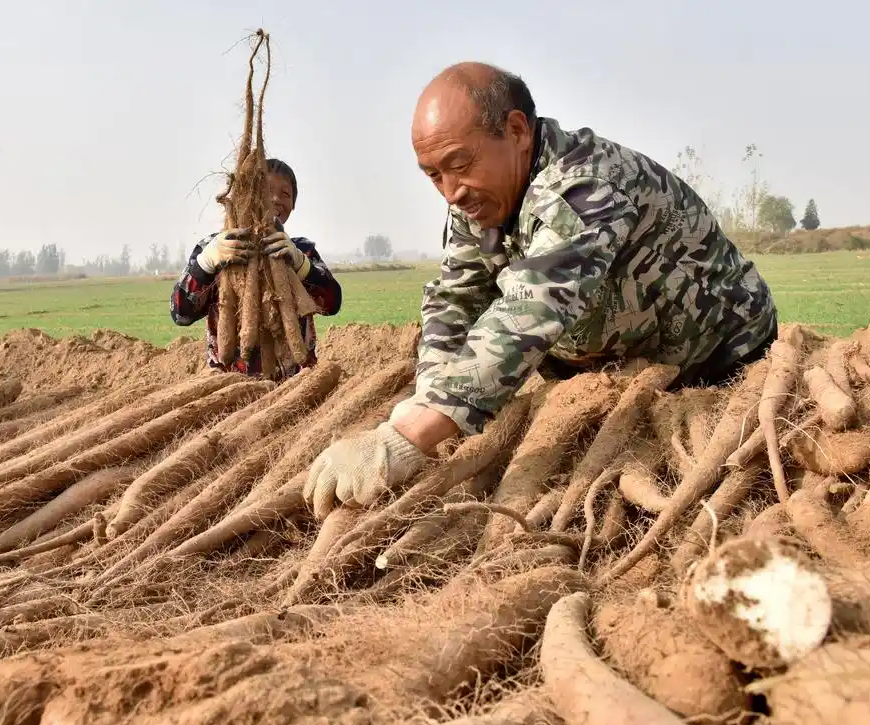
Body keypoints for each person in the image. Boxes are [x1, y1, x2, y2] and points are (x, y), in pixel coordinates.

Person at [303, 62, 778, 519]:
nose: (450, 192)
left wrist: (405, 436)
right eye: (433, 175)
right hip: (617, 368)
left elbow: (530, 308)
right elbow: (456, 298)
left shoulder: (586, 185)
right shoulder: (480, 199)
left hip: (720, 363)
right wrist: (430, 397)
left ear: (516, 130)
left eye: (459, 164)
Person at [170, 158, 342, 379]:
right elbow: (180, 313)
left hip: (295, 386)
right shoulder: (217, 247)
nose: (275, 199)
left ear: (294, 205)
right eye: (266, 190)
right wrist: (206, 263)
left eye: (285, 194)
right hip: (228, 386)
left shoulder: (300, 250)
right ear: (246, 194)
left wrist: (301, 265)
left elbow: (332, 303)